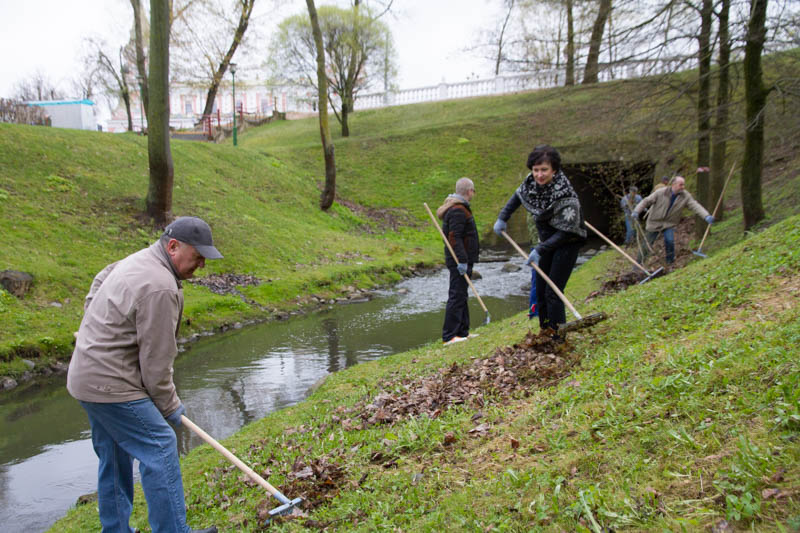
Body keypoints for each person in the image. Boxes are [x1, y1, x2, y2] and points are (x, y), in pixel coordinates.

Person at [67, 216, 223, 533]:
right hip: (111, 384)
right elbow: (156, 365)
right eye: (198, 256)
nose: (202, 265)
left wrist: (93, 328)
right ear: (174, 246)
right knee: (161, 446)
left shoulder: (139, 259)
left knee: (114, 454)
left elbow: (99, 281)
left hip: (84, 377)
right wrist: (170, 407)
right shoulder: (161, 287)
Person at [493, 145, 586, 340]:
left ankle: (558, 337)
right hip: (546, 241)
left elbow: (566, 231)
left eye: (544, 170)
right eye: (536, 170)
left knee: (553, 291)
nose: (539, 175)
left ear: (554, 169)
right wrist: (503, 218)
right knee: (541, 292)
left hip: (567, 241)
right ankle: (545, 333)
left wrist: (540, 249)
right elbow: (517, 197)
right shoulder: (531, 183)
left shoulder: (565, 193)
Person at [632, 176, 713, 264]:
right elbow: (646, 201)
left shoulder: (685, 196)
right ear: (673, 184)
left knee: (669, 241)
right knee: (647, 243)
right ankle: (638, 264)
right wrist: (636, 211)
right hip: (654, 222)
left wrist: (706, 216)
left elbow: (695, 206)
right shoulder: (660, 192)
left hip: (669, 223)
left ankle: (670, 263)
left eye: (683, 185)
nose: (683, 187)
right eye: (681, 185)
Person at [436, 177, 479, 345]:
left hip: (464, 259)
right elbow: (455, 237)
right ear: (469, 191)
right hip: (459, 260)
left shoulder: (460, 208)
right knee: (456, 294)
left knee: (462, 294)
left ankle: (462, 331)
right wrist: (462, 260)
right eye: (473, 191)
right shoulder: (458, 210)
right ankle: (449, 335)